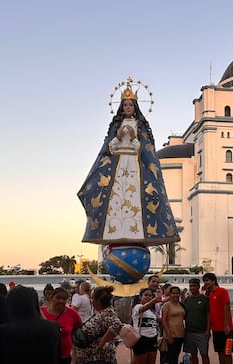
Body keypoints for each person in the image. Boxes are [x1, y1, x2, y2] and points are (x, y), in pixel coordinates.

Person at [77, 80, 179, 247]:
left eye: (131, 105)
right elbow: (109, 148)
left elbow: (146, 150)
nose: (128, 108)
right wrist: (117, 137)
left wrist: (133, 137)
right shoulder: (116, 125)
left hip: (135, 166)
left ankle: (136, 229)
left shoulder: (141, 127)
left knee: (136, 198)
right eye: (125, 105)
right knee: (117, 198)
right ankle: (116, 230)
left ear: (135, 106)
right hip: (118, 166)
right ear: (122, 107)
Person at [40, 286, 82, 364]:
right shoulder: (42, 313)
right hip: (45, 357)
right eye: (58, 297)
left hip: (64, 357)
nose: (61, 301)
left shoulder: (72, 313)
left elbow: (78, 327)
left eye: (64, 299)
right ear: (51, 298)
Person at [131, 288, 164, 364]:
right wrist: (154, 301)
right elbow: (143, 308)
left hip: (152, 339)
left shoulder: (152, 312)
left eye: (150, 295)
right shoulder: (137, 307)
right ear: (140, 296)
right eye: (145, 295)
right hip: (141, 339)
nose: (148, 297)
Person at [203, 272, 233, 364]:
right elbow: (209, 312)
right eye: (205, 281)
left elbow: (226, 307)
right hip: (216, 329)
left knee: (227, 352)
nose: (206, 283)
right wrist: (209, 328)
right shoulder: (209, 294)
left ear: (214, 281)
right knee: (220, 352)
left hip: (226, 329)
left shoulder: (222, 292)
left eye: (208, 280)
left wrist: (226, 325)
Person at [182, 278, 212, 364]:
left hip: (202, 332)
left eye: (194, 286)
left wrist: (208, 330)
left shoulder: (205, 299)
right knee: (193, 354)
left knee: (204, 354)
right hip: (189, 332)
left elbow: (208, 315)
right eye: (191, 286)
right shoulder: (187, 300)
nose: (193, 288)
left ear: (198, 286)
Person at [161, 285, 186, 364]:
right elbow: (163, 320)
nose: (175, 295)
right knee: (171, 357)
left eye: (177, 293)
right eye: (173, 293)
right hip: (171, 334)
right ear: (170, 294)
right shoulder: (167, 305)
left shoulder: (180, 304)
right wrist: (168, 334)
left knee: (176, 356)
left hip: (181, 333)